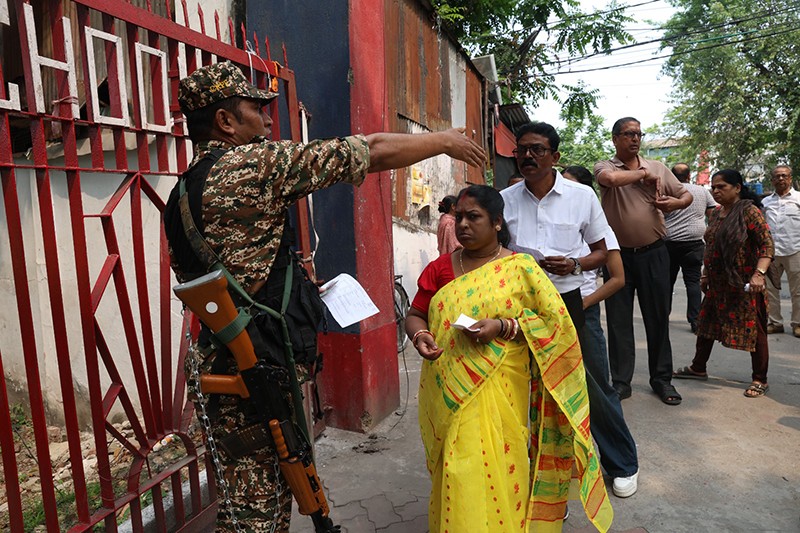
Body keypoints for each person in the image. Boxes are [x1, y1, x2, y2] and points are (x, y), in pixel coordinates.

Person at [162, 61, 485, 532]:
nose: (269, 119)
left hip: (221, 364)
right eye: (255, 108)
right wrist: (444, 141)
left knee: (244, 499)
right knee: (258, 515)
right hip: (257, 373)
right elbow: (369, 150)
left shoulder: (183, 190)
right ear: (225, 121)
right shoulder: (253, 165)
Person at [406, 185, 612, 533]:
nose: (463, 225)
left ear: (497, 222)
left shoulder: (521, 269)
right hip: (450, 386)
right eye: (459, 217)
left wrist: (503, 326)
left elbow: (555, 325)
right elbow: (416, 313)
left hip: (504, 385)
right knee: (458, 463)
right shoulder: (440, 268)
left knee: (500, 458)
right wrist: (421, 335)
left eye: (474, 217)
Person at [501, 129, 639, 500]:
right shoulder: (504, 200)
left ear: (555, 156)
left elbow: (601, 252)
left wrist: (574, 263)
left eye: (537, 150)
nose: (528, 156)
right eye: (522, 150)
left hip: (573, 304)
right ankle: (532, 470)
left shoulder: (582, 197)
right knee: (527, 388)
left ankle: (623, 464)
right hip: (524, 308)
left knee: (594, 384)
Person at [594, 117, 693, 405]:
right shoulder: (607, 166)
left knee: (658, 318)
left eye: (638, 134)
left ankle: (662, 380)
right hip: (617, 257)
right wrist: (642, 176)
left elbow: (685, 193)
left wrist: (676, 203)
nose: (635, 139)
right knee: (618, 321)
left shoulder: (658, 167)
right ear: (615, 139)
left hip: (654, 253)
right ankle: (622, 382)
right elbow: (609, 181)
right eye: (628, 134)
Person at [673, 169, 774, 398]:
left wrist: (759, 274)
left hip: (744, 283)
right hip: (718, 283)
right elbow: (711, 246)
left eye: (722, 187)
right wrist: (706, 274)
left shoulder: (749, 212)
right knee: (706, 325)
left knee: (755, 330)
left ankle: (760, 378)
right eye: (714, 187)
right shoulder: (717, 213)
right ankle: (698, 368)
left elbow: (767, 245)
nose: (716, 191)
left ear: (737, 188)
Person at [664, 163, 717, 333]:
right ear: (689, 176)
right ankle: (695, 321)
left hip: (669, 243)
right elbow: (712, 216)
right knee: (693, 282)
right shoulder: (702, 191)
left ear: (672, 177)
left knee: (667, 283)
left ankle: (662, 318)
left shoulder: (666, 191)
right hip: (694, 243)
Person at [762, 165, 800, 337]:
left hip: (795, 250)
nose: (781, 179)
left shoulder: (799, 199)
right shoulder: (765, 202)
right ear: (772, 180)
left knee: (797, 291)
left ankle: (798, 324)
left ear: (790, 178)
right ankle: (775, 322)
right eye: (777, 176)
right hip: (772, 253)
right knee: (770, 290)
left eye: (784, 175)